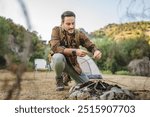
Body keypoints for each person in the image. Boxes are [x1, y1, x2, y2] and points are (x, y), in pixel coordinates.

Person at [50, 11, 102, 91]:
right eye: (68, 24)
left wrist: (96, 51)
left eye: (73, 23)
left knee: (88, 86)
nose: (71, 26)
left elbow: (90, 45)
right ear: (62, 23)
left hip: (73, 65)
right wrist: (75, 51)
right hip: (59, 62)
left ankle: (67, 76)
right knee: (58, 57)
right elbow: (55, 47)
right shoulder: (56, 30)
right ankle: (59, 78)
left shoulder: (79, 33)